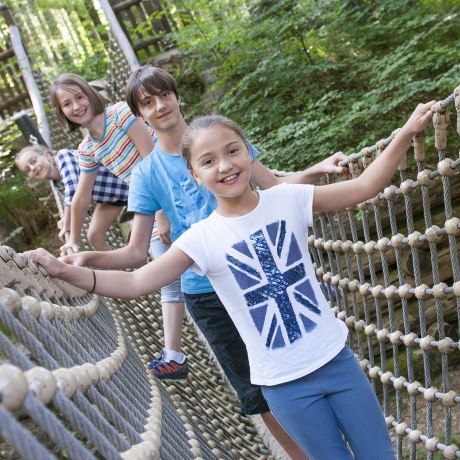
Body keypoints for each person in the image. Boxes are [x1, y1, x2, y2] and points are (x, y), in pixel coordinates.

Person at [27, 102, 434, 458]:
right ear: (193, 174)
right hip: (282, 385)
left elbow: (363, 186)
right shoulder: (200, 239)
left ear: (248, 152)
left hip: (337, 360)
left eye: (232, 151)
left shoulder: (288, 199)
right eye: (208, 161)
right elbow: (137, 282)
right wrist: (65, 270)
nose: (224, 165)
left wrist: (406, 132)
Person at [57, 65, 348, 459]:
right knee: (256, 393)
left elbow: (275, 188)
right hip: (205, 293)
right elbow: (135, 254)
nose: (159, 106)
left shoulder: (219, 138)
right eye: (148, 102)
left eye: (164, 96)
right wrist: (86, 256)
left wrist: (315, 170)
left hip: (256, 274)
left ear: (177, 97)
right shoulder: (144, 174)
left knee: (305, 367)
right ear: (138, 115)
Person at [50, 73, 154, 255]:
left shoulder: (119, 114)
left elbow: (152, 161)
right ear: (62, 113)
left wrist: (161, 213)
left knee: (148, 251)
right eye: (67, 104)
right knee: (144, 253)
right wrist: (73, 239)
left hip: (168, 183)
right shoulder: (87, 149)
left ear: (90, 94)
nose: (76, 106)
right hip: (148, 198)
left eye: (79, 97)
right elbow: (81, 197)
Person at [16, 145, 129, 251]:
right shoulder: (57, 183)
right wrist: (66, 217)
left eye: (33, 161)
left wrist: (73, 239)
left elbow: (74, 193)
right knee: (94, 237)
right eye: (28, 169)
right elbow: (72, 199)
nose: (33, 168)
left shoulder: (63, 156)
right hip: (113, 199)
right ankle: (125, 268)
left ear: (47, 156)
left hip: (127, 183)